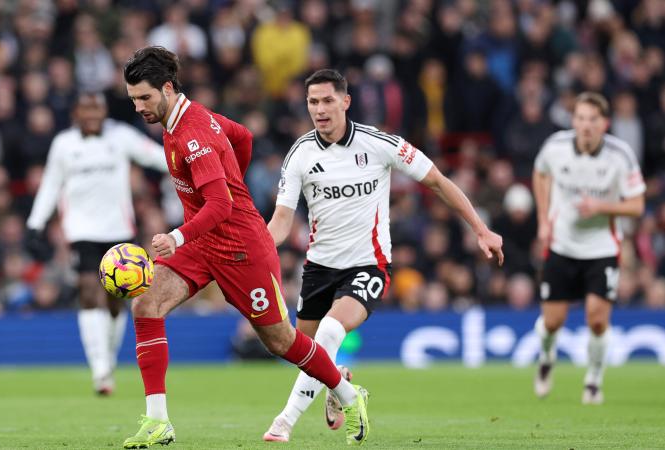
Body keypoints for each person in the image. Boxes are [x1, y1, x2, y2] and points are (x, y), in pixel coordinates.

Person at [121, 46, 369, 448]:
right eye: (133, 100)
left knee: (280, 342)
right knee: (145, 304)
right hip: (205, 240)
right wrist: (230, 175)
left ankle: (346, 392)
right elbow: (243, 136)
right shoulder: (184, 117)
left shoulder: (192, 133)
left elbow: (221, 205)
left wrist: (176, 236)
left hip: (241, 248)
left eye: (145, 98)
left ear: (167, 88)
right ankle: (157, 422)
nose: (139, 107)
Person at [263, 69, 504, 441]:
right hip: (318, 269)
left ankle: (284, 422)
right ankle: (340, 382)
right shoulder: (300, 154)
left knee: (329, 330)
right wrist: (259, 248)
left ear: (346, 101)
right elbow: (282, 219)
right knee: (303, 353)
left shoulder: (380, 144)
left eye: (328, 100)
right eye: (313, 102)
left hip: (367, 265)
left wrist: (481, 229)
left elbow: (438, 180)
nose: (320, 109)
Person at [26, 92, 168, 396]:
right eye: (86, 109)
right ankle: (100, 369)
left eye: (97, 109)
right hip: (81, 231)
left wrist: (192, 165)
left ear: (104, 112)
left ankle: (108, 357)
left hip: (118, 231)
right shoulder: (64, 144)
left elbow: (156, 156)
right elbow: (51, 183)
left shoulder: (121, 137)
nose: (92, 115)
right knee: (89, 292)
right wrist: (35, 224)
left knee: (116, 301)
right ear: (76, 112)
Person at [532, 92, 645, 405]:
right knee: (552, 322)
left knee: (597, 320)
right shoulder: (555, 147)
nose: (585, 125)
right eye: (580, 118)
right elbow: (540, 173)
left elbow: (636, 206)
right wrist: (543, 219)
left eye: (592, 119)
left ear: (604, 123)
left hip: (601, 247)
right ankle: (546, 356)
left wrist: (601, 206)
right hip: (561, 245)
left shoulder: (620, 156)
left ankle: (593, 379)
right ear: (574, 120)